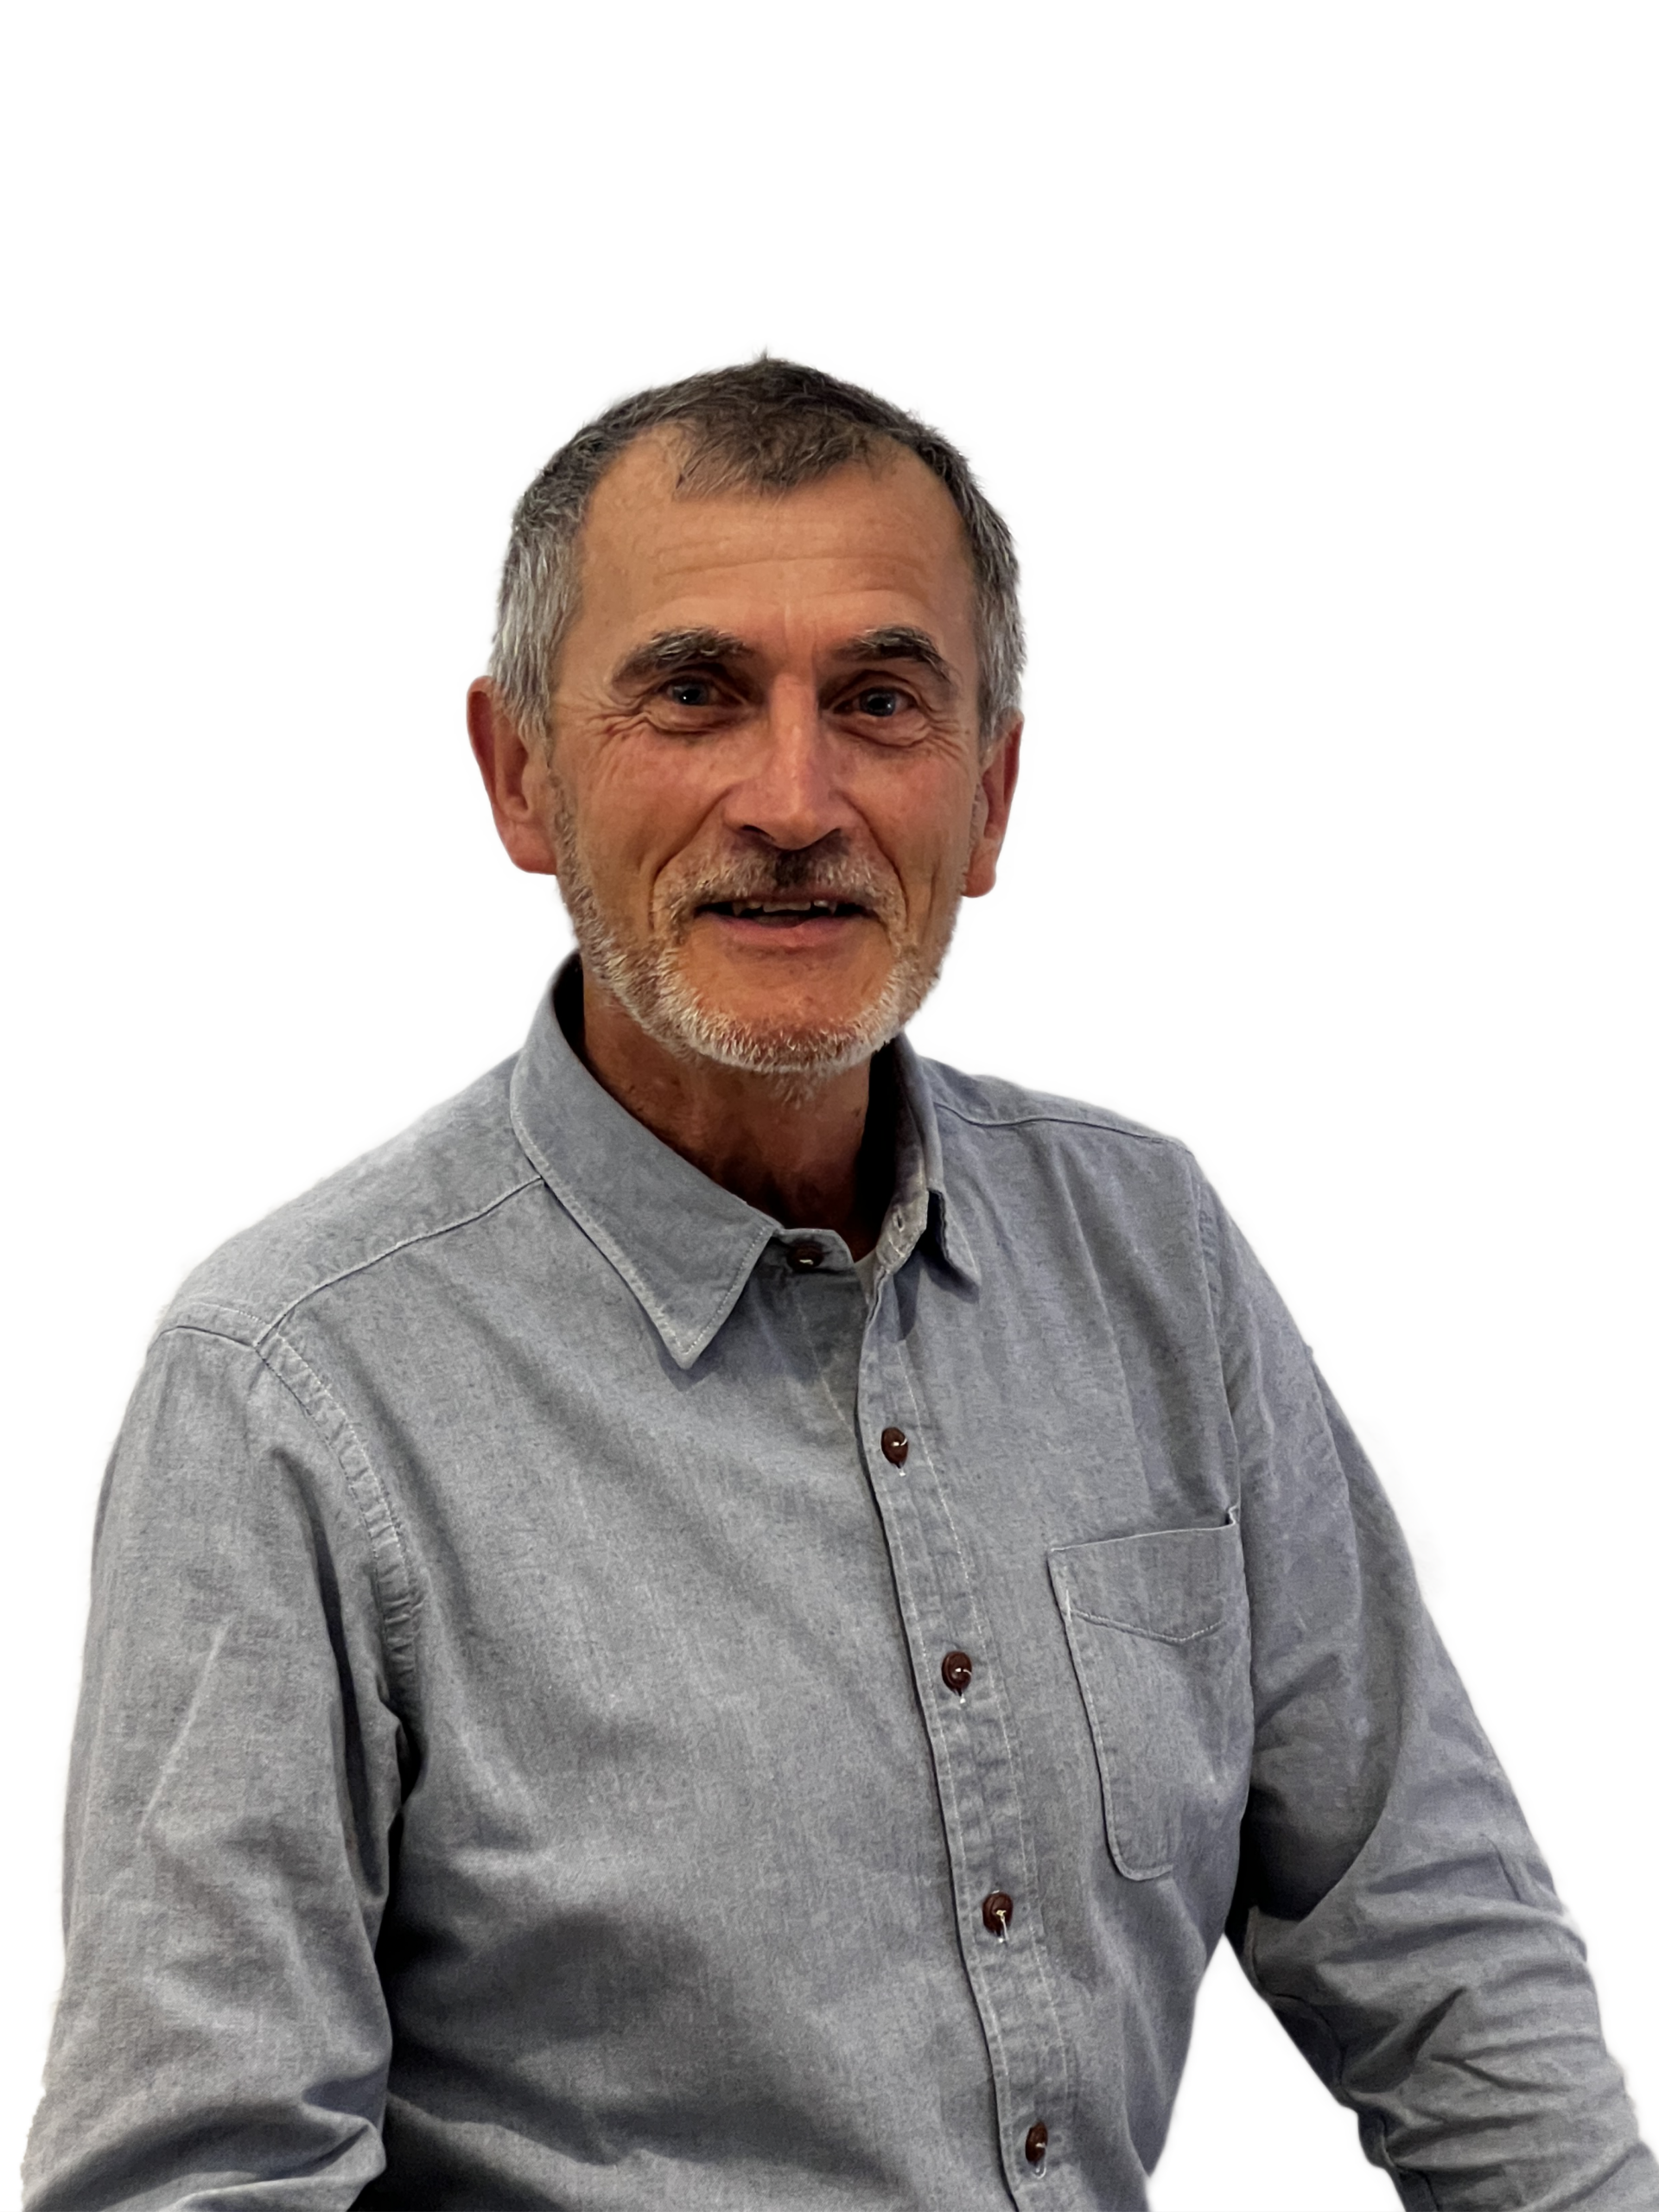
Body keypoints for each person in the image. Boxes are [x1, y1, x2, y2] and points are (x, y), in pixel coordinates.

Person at [21, 345, 1654, 2210]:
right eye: (695, 693)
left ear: (994, 794)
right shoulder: (282, 1384)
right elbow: (197, 2180)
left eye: (879, 700)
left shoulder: (1158, 1244)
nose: (794, 799)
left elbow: (1451, 1955)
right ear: (517, 776)